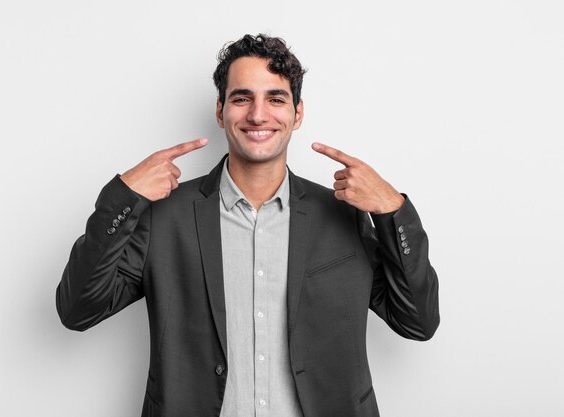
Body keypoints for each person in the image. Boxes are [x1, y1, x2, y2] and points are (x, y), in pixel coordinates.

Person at [56, 33, 440, 417]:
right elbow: (78, 311)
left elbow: (418, 322)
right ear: (221, 111)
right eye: (242, 99)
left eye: (276, 98)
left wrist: (392, 210)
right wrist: (123, 198)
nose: (258, 115)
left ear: (297, 113)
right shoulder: (164, 216)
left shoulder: (343, 213)